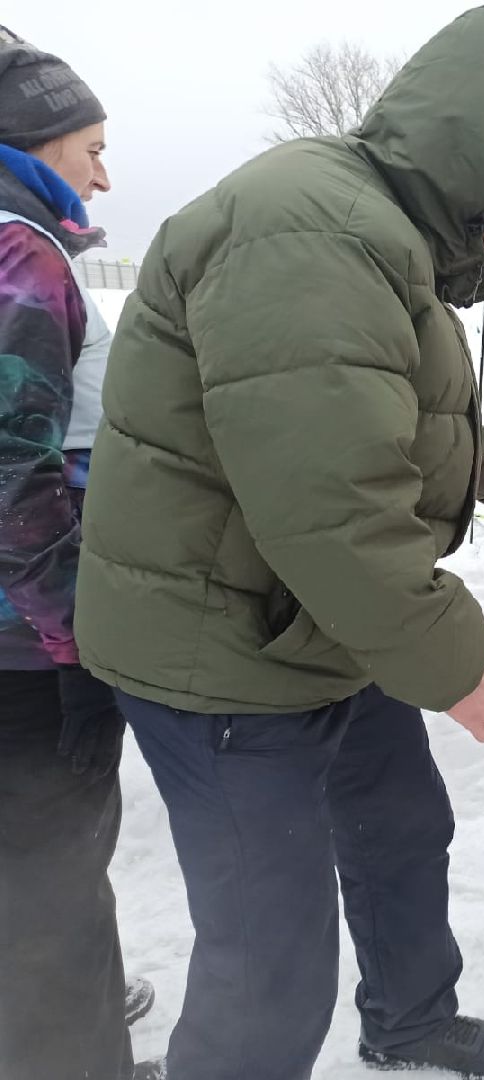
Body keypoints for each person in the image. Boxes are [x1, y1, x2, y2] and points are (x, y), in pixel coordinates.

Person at [74, 8, 484, 1078]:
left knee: (401, 827)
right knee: (269, 950)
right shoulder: (308, 230)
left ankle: (409, 1015)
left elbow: (384, 414)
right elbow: (329, 499)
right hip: (220, 646)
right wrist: (456, 663)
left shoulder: (376, 233)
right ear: (478, 157)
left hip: (314, 625)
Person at [0, 28, 164, 1080]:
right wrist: (72, 630)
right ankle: (71, 1053)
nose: (105, 170)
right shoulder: (20, 251)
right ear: (33, 143)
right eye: (89, 146)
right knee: (50, 866)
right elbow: (12, 467)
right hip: (23, 642)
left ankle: (72, 1008)